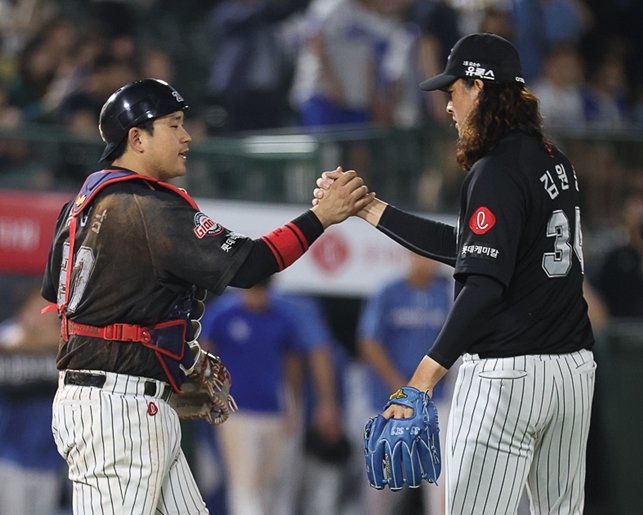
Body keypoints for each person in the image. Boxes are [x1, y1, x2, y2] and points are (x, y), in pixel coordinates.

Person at [40, 78, 372, 515]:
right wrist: (321, 217)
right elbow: (252, 265)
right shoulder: (146, 206)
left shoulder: (83, 202)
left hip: (115, 399)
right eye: (174, 124)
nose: (187, 136)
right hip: (119, 410)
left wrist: (173, 357)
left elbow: (65, 300)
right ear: (136, 138)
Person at [314, 33, 596, 514]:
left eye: (453, 91)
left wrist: (423, 378)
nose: (447, 105)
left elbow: (483, 284)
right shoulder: (556, 161)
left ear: (479, 88)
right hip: (573, 371)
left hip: (509, 375)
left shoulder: (495, 170)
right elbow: (474, 251)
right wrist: (372, 209)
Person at [357, 250, 452, 515]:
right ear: (410, 257)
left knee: (441, 484)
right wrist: (402, 388)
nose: (427, 262)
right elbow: (369, 342)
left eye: (431, 257)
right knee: (382, 483)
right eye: (421, 256)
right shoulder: (389, 292)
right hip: (389, 402)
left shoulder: (443, 296)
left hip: (435, 402)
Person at [0, 284, 69, 515]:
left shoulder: (65, 345)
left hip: (48, 461)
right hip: (11, 459)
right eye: (36, 308)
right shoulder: (10, 335)